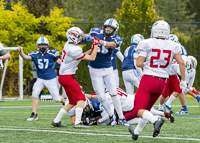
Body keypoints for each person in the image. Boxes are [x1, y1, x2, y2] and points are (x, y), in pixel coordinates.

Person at [128, 20, 186, 140]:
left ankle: (156, 120)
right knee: (146, 109)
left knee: (137, 110)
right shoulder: (173, 45)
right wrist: (183, 81)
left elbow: (138, 64)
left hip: (148, 79)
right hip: (162, 82)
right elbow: (181, 62)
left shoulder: (146, 43)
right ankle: (136, 132)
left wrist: (147, 65)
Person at [50, 27, 100, 129]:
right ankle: (77, 123)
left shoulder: (68, 45)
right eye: (79, 36)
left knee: (72, 101)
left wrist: (90, 48)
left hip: (63, 77)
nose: (81, 38)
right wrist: (95, 45)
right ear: (74, 38)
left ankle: (56, 121)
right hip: (67, 77)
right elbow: (92, 58)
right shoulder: (75, 49)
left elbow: (80, 56)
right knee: (81, 98)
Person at [87, 18, 128, 127]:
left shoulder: (117, 39)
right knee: (100, 96)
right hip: (94, 69)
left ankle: (122, 118)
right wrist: (81, 37)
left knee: (113, 92)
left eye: (111, 28)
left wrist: (98, 41)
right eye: (107, 27)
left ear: (115, 30)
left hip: (108, 69)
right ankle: (111, 115)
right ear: (104, 27)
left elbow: (112, 45)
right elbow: (85, 37)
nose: (108, 29)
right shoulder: (95, 32)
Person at [66, 87, 174, 126]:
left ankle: (152, 119)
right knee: (146, 109)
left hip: (130, 106)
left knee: (119, 120)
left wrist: (96, 121)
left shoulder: (107, 97)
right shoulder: (111, 89)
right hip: (133, 99)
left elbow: (109, 117)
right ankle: (163, 114)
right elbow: (94, 96)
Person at [17, 37, 66, 121]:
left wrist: (69, 66)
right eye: (41, 45)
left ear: (47, 45)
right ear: (38, 45)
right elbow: (25, 57)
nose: (42, 46)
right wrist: (20, 52)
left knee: (57, 99)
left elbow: (60, 62)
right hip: (40, 79)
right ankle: (34, 114)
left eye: (44, 45)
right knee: (35, 93)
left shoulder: (52, 54)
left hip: (51, 79)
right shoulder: (35, 54)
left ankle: (67, 103)